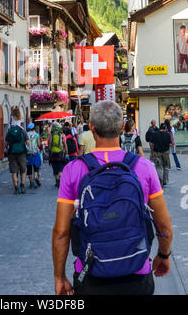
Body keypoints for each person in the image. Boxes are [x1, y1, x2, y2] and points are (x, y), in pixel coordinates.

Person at [52, 100, 173, 296]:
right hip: (136, 272)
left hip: (91, 273)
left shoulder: (73, 170)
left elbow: (61, 232)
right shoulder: (144, 167)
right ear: (122, 127)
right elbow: (164, 224)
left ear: (91, 127)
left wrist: (59, 277)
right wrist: (163, 254)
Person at [5, 121, 30, 195]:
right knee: (23, 170)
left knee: (14, 171)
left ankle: (16, 188)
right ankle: (22, 186)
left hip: (12, 153)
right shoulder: (23, 131)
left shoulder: (9, 131)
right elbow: (28, 143)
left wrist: (7, 149)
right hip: (22, 153)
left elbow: (6, 143)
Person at [48, 121, 68, 188]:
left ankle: (57, 182)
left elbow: (49, 143)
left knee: (54, 168)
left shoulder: (51, 134)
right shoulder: (62, 134)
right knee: (60, 168)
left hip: (53, 153)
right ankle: (61, 181)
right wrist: (66, 152)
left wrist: (49, 151)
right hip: (60, 152)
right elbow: (65, 144)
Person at [26, 123, 42, 188]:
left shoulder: (26, 134)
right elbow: (38, 144)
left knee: (29, 168)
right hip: (35, 153)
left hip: (28, 154)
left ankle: (31, 182)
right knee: (36, 168)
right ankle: (35, 178)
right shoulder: (37, 135)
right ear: (34, 128)